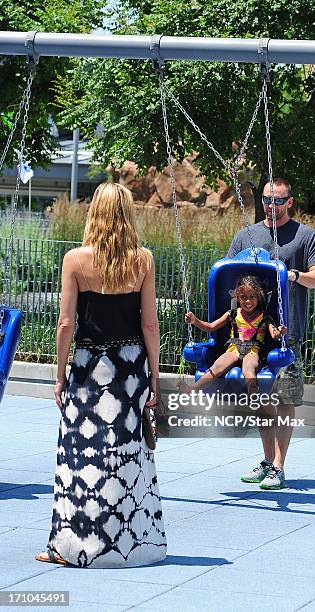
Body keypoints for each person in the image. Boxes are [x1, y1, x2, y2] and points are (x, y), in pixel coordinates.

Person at [35, 183, 167, 567]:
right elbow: (150, 325)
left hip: (90, 368)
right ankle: (134, 545)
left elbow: (65, 323)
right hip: (131, 369)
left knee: (80, 455)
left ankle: (71, 545)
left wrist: (59, 375)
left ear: (93, 212)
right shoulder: (143, 260)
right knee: (128, 455)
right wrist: (155, 378)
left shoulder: (75, 260)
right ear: (128, 214)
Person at [227, 177, 315, 490]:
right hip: (251, 336)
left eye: (279, 200)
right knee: (258, 399)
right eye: (268, 200)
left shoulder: (304, 236)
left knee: (284, 400)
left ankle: (280, 466)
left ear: (290, 202)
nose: (272, 206)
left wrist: (293, 274)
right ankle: (268, 460)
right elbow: (227, 274)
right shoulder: (247, 235)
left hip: (287, 333)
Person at [184, 275, 287, 394]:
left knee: (249, 367)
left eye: (252, 297)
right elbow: (211, 327)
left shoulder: (264, 317)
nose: (248, 301)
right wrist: (195, 321)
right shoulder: (232, 314)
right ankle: (194, 388)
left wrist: (280, 332)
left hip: (253, 350)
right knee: (218, 366)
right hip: (233, 349)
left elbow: (274, 335)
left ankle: (252, 392)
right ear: (237, 298)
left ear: (258, 297)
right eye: (243, 297)